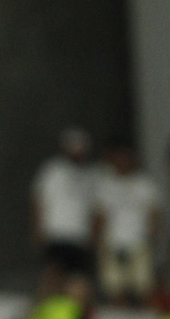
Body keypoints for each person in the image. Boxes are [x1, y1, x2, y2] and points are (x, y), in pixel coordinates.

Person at [94, 141, 162, 306]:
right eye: (119, 158)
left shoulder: (144, 184)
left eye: (126, 158)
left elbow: (154, 213)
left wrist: (153, 237)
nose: (123, 162)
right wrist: (98, 242)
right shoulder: (106, 184)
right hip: (113, 242)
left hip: (139, 242)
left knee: (144, 286)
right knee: (115, 286)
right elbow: (100, 216)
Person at [30, 128, 97, 287]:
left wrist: (93, 237)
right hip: (56, 232)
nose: (77, 151)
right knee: (53, 273)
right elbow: (39, 200)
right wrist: (38, 227)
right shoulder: (53, 170)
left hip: (80, 235)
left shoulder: (90, 175)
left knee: (77, 277)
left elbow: (94, 209)